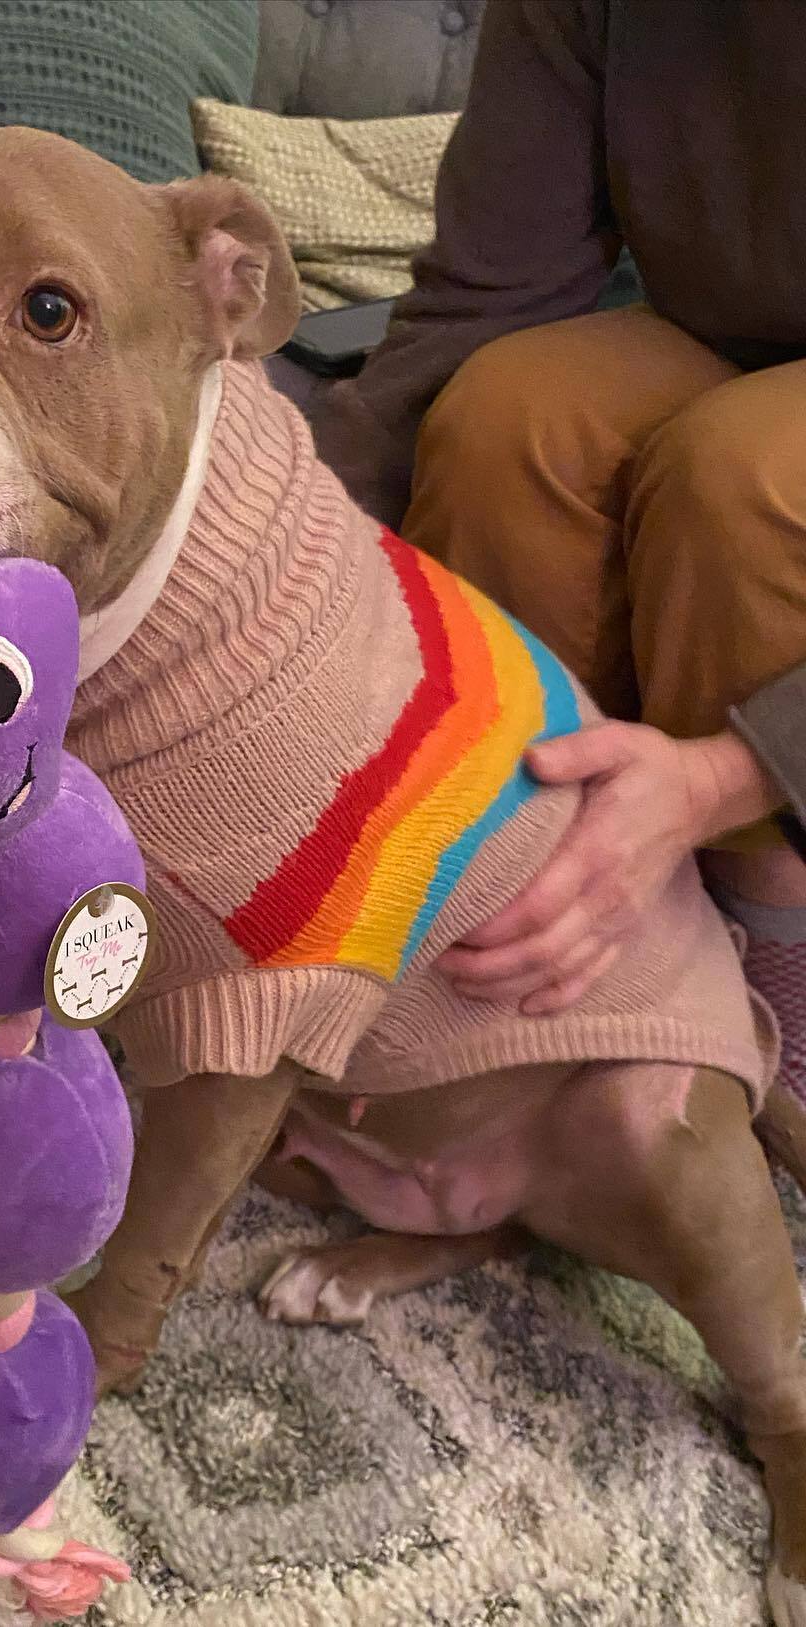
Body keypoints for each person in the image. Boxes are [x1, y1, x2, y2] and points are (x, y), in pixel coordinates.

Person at [311, 0, 806, 1107]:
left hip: (755, 460)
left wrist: (731, 776)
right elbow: (483, 298)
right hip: (717, 339)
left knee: (747, 481)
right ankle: (533, 878)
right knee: (507, 419)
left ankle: (775, 925)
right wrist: (278, 535)